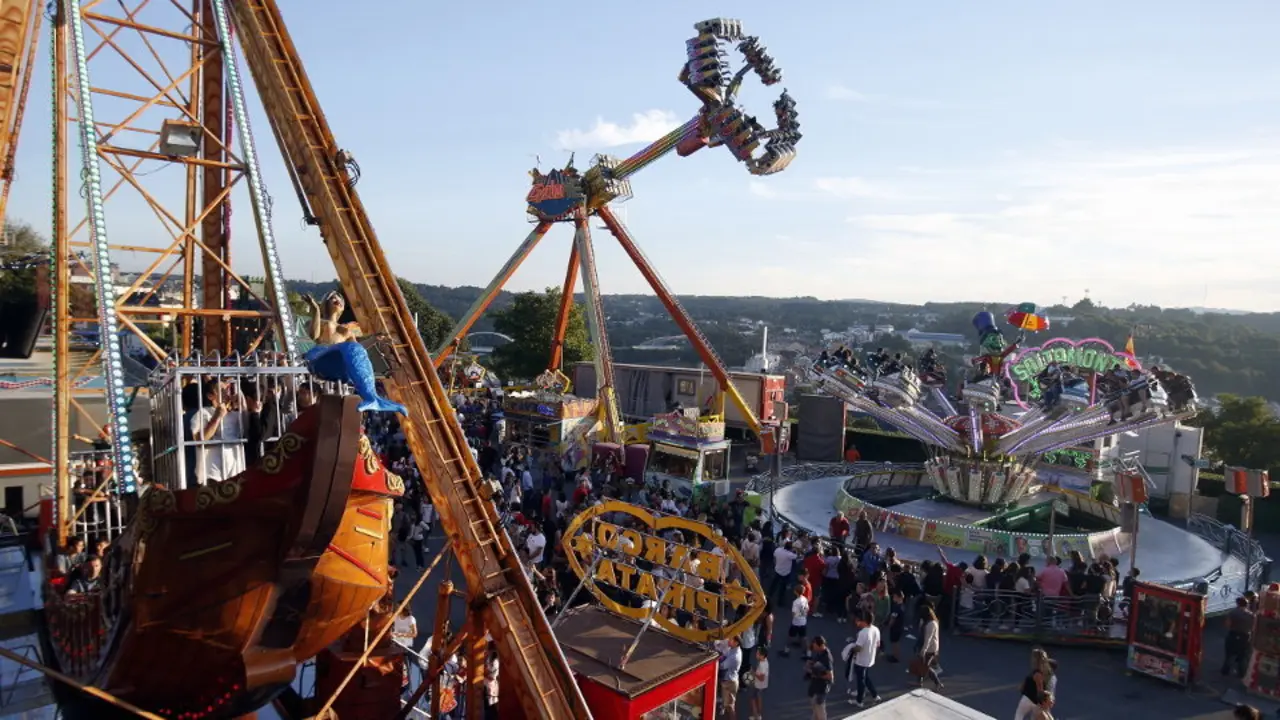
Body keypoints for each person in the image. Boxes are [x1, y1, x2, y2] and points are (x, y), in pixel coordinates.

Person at [190, 379, 247, 484]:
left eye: (227, 389)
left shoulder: (235, 414)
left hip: (236, 471)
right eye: (221, 390)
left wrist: (241, 405)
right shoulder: (203, 413)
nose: (226, 393)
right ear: (210, 396)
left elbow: (248, 432)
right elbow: (199, 440)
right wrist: (217, 416)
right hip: (213, 474)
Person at [846, 610, 881, 708]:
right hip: (870, 658)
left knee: (861, 679)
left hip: (861, 660)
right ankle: (875, 695)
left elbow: (859, 648)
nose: (857, 622)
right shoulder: (876, 629)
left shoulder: (863, 633)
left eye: (858, 620)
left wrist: (852, 648)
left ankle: (859, 700)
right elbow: (878, 644)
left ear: (864, 621)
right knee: (865, 677)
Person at [1015, 648, 1054, 720]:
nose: (1031, 659)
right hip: (1036, 701)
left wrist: (1043, 702)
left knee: (1019, 715)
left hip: (1028, 699)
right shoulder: (1044, 671)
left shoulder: (1037, 673)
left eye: (1033, 657)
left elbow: (1040, 689)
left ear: (1036, 659)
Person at [913, 604, 944, 689]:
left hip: (930, 649)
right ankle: (919, 681)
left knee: (925, 666)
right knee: (921, 664)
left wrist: (923, 650)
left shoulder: (931, 624)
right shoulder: (926, 622)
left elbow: (928, 639)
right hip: (926, 646)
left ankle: (938, 683)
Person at [1224, 596, 1255, 678]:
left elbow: (1228, 625)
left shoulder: (1232, 613)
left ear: (1237, 603)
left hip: (1233, 635)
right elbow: (1253, 628)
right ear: (1247, 604)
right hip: (1245, 637)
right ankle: (1241, 673)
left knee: (1229, 655)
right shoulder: (1251, 615)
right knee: (1242, 657)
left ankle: (1225, 671)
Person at [805, 636, 835, 720]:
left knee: (819, 707)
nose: (813, 648)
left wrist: (817, 675)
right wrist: (811, 663)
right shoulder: (820, 652)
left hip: (822, 686)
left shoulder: (827, 657)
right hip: (815, 684)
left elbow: (830, 676)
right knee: (815, 707)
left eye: (814, 646)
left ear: (821, 645)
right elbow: (817, 662)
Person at [717, 635, 742, 717]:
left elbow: (722, 666)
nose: (728, 640)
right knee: (727, 704)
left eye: (731, 639)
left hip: (730, 682)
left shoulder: (734, 656)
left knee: (730, 707)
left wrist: (718, 659)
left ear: (736, 642)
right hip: (728, 680)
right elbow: (725, 655)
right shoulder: (733, 649)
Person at [784, 585, 809, 658]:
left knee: (790, 636)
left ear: (796, 592)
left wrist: (797, 614)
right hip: (803, 621)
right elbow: (807, 609)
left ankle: (786, 650)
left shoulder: (795, 602)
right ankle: (808, 652)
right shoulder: (805, 599)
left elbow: (794, 614)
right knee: (804, 637)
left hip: (796, 622)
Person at [747, 647, 769, 720]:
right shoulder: (764, 662)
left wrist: (753, 673)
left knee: (753, 699)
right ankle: (758, 715)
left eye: (758, 654)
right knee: (759, 699)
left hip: (758, 685)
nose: (756, 655)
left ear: (762, 656)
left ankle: (756, 716)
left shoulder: (762, 665)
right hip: (761, 685)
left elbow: (762, 678)